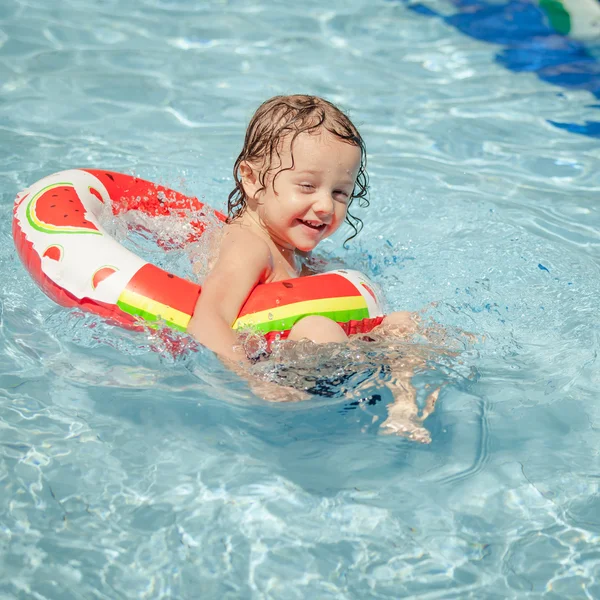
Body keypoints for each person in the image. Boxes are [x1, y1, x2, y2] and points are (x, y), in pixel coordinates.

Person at [187, 94, 415, 363]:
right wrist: (255, 383)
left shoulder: (293, 249)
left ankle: (404, 399)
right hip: (268, 368)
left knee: (404, 322)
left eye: (340, 192)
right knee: (319, 331)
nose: (326, 206)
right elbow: (206, 322)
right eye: (307, 186)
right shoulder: (249, 247)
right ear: (251, 179)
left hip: (302, 351)